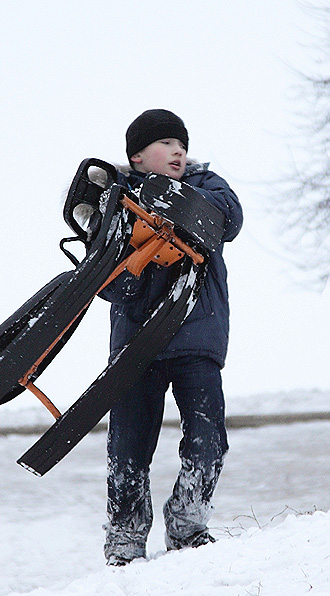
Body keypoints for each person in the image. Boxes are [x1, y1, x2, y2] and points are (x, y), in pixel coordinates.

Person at [98, 109, 243, 566]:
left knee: (207, 435)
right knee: (128, 445)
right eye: (165, 144)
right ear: (137, 157)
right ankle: (124, 538)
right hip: (136, 343)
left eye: (181, 144)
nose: (178, 151)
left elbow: (228, 221)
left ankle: (187, 522)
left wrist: (174, 200)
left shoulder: (209, 186)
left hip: (196, 336)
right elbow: (104, 278)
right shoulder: (115, 201)